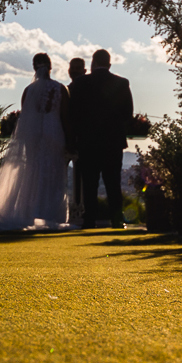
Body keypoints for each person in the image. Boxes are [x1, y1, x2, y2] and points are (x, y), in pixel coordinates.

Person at [0, 53, 74, 230]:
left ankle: (32, 210)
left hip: (34, 135)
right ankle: (51, 214)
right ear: (50, 67)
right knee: (53, 172)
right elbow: (65, 116)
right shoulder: (60, 89)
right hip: (54, 131)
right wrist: (70, 140)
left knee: (33, 171)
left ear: (34, 68)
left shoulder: (28, 91)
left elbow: (26, 118)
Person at [69, 48, 134, 229]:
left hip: (88, 141)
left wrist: (77, 136)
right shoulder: (122, 83)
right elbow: (127, 113)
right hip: (113, 141)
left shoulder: (81, 83)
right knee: (113, 183)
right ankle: (117, 219)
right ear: (109, 64)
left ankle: (89, 219)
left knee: (90, 184)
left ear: (93, 63)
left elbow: (73, 113)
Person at [67, 56, 88, 225]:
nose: (74, 71)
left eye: (77, 68)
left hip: (87, 139)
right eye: (72, 68)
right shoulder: (65, 90)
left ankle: (84, 213)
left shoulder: (91, 89)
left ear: (84, 71)